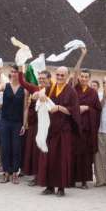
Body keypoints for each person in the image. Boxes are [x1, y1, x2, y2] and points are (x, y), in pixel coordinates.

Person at [36, 66, 80, 197]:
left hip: (63, 130)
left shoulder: (71, 92)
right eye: (58, 75)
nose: (60, 77)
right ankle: (49, 186)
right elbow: (37, 95)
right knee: (48, 158)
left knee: (61, 159)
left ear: (67, 76)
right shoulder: (50, 88)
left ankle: (61, 187)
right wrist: (40, 95)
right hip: (50, 129)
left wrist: (60, 108)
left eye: (62, 75)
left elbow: (74, 111)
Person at [18, 68, 52, 185]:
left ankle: (46, 177)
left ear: (49, 79)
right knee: (35, 151)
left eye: (43, 78)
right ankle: (37, 176)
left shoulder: (53, 89)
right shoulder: (35, 88)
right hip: (35, 124)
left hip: (47, 125)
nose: (41, 80)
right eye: (40, 78)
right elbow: (22, 82)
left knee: (45, 151)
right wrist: (20, 67)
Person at [72, 63, 101, 189]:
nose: (83, 79)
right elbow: (68, 105)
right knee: (73, 154)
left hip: (87, 129)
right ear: (79, 77)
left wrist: (88, 108)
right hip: (74, 127)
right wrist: (76, 108)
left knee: (85, 156)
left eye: (86, 77)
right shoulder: (74, 90)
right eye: (82, 76)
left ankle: (84, 181)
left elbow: (98, 110)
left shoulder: (93, 93)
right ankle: (72, 179)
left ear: (89, 78)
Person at [0, 66, 25, 184]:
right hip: (5, 121)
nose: (14, 74)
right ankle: (6, 172)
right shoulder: (5, 86)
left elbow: (25, 108)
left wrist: (24, 124)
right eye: (12, 72)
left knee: (16, 147)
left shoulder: (24, 89)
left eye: (16, 72)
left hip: (17, 122)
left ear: (20, 74)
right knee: (5, 147)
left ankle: (15, 172)